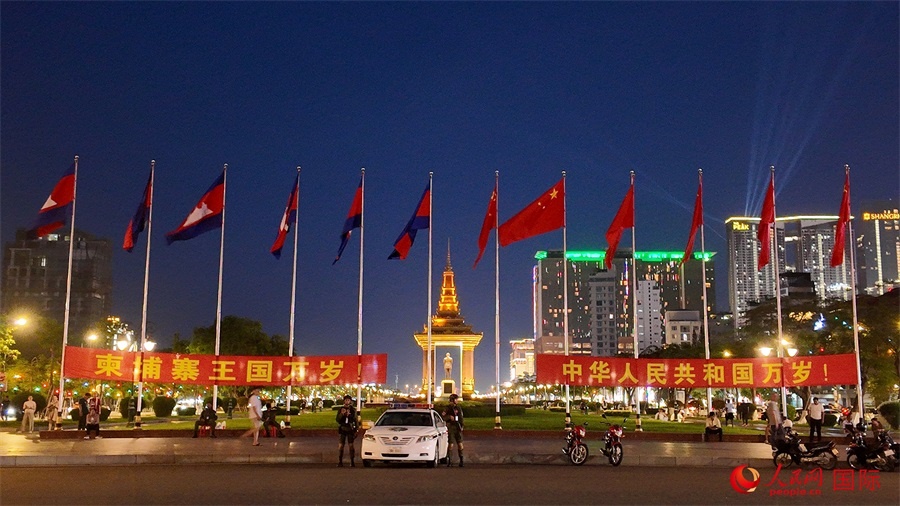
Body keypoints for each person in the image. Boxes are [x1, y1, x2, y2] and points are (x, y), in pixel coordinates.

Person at [442, 393, 465, 467]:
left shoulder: (458, 408)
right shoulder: (447, 408)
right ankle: (449, 460)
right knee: (451, 444)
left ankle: (461, 460)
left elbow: (461, 417)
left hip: (458, 427)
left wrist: (462, 426)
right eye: (456, 399)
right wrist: (449, 417)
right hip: (451, 427)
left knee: (460, 444)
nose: (457, 401)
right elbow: (443, 417)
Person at [336, 395, 358, 467]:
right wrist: (342, 414)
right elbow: (337, 420)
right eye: (346, 400)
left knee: (351, 445)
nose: (347, 401)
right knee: (341, 445)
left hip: (350, 429)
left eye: (348, 400)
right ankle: (340, 461)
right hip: (343, 428)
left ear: (350, 401)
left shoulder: (353, 410)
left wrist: (356, 429)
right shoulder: (341, 409)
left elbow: (356, 420)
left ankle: (352, 461)